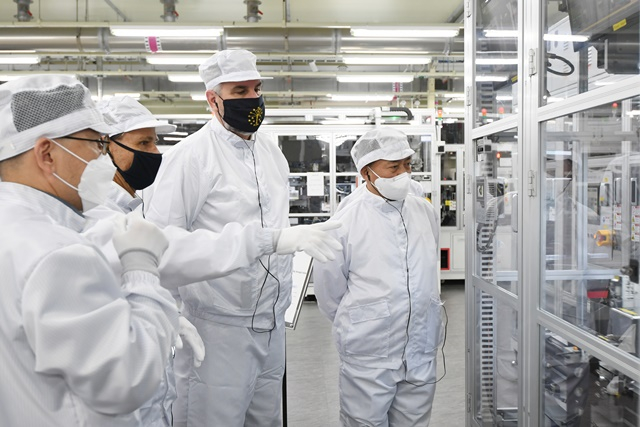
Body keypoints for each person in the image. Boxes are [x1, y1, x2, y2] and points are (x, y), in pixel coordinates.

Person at [144, 49, 341, 426]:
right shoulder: (191, 158)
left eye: (256, 88)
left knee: (264, 419)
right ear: (212, 99)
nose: (252, 99)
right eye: (239, 91)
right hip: (217, 329)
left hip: (270, 323)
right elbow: (161, 247)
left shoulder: (270, 152)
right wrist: (165, 318)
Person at [0, 74, 179, 426]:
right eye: (97, 144)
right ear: (47, 153)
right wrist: (142, 275)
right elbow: (127, 380)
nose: (104, 159)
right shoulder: (57, 254)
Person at [313, 128, 444, 427]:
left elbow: (427, 265)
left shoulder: (424, 212)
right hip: (369, 351)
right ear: (366, 172)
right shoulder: (345, 221)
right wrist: (365, 318)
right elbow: (329, 292)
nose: (403, 173)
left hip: (420, 347)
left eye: (408, 165)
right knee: (365, 422)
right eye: (393, 167)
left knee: (415, 422)